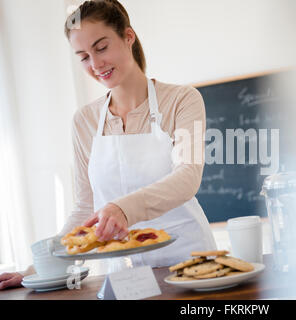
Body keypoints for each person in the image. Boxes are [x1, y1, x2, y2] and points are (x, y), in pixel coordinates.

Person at [0, 0, 216, 290]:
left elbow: (187, 176)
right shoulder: (85, 121)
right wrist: (38, 268)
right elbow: (85, 207)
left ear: (128, 37)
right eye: (83, 56)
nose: (95, 64)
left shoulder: (181, 100)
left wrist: (121, 209)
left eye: (101, 48)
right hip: (126, 278)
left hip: (190, 263)